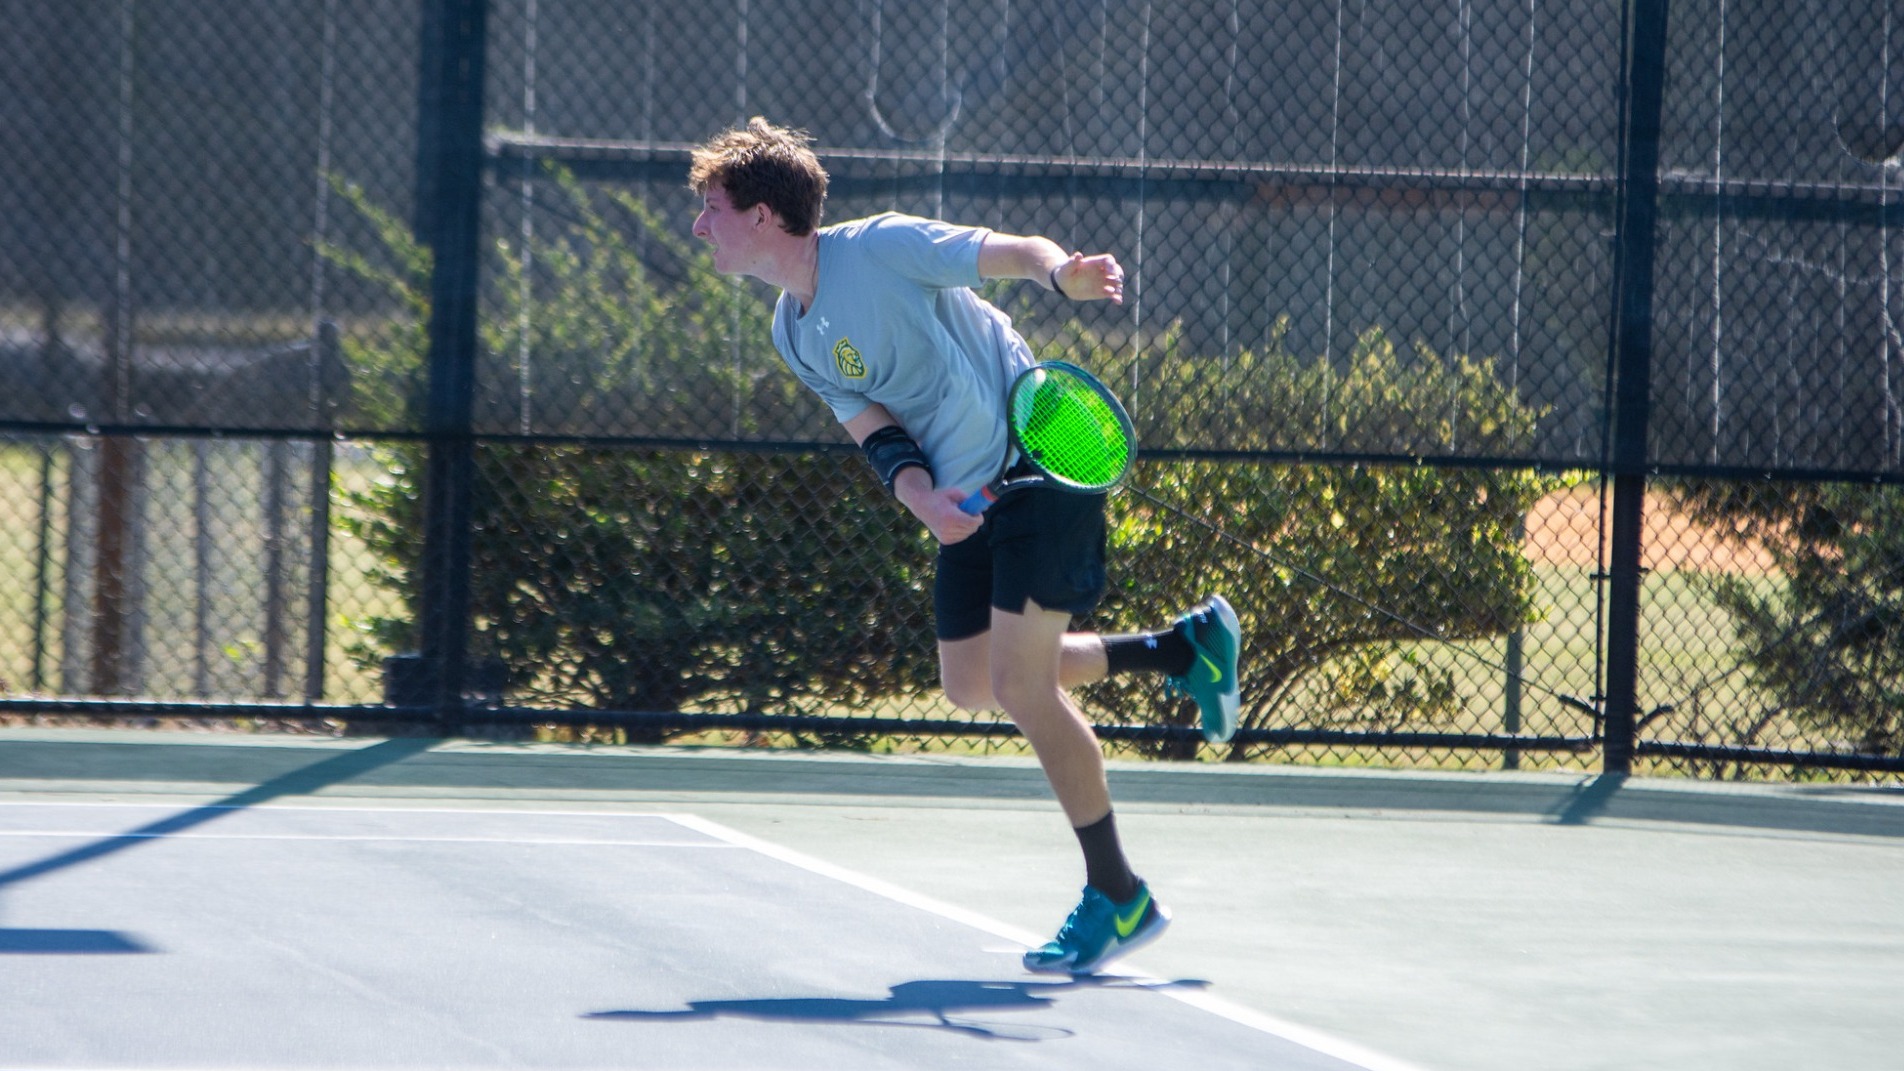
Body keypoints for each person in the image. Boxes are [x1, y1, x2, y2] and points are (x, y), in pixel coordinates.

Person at [687, 117, 1241, 975]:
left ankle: (1119, 894)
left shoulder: (880, 248)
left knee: (1021, 684)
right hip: (968, 496)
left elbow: (1007, 252)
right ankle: (1180, 648)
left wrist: (1061, 273)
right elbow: (877, 432)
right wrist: (924, 500)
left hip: (1037, 459)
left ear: (763, 216)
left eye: (712, 209)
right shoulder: (791, 331)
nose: (699, 226)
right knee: (972, 681)